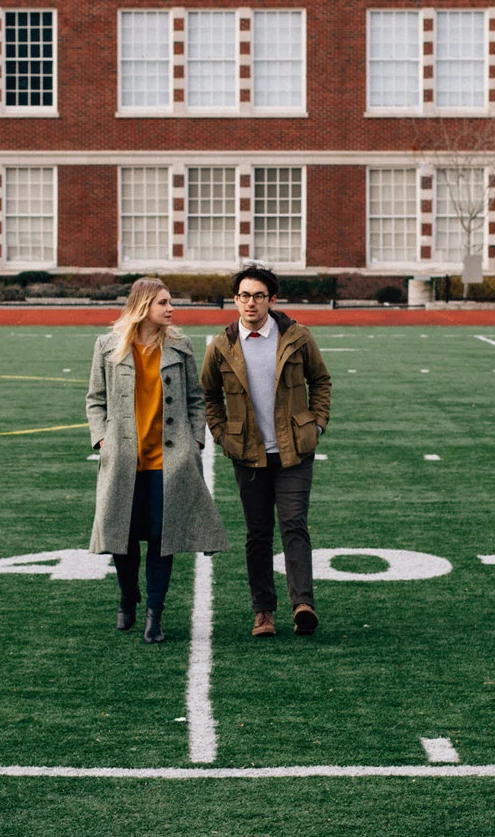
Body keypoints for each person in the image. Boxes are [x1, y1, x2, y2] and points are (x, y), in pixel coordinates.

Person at [86, 277, 228, 643]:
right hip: (123, 459)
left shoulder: (180, 346)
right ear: (143, 305)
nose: (171, 309)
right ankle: (127, 594)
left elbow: (196, 399)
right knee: (122, 536)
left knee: (163, 540)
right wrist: (101, 438)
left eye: (170, 302)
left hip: (169, 460)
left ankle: (155, 613)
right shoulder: (108, 346)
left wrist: (195, 439)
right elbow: (95, 399)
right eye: (163, 303)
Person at [199, 265, 333, 638]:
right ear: (236, 300)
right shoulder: (222, 346)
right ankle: (263, 612)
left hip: (294, 451)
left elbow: (320, 380)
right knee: (258, 534)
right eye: (244, 295)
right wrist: (223, 434)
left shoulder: (296, 337)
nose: (251, 303)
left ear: (272, 300)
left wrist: (317, 424)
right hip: (248, 454)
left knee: (294, 526)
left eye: (259, 295)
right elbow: (208, 395)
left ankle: (303, 605)